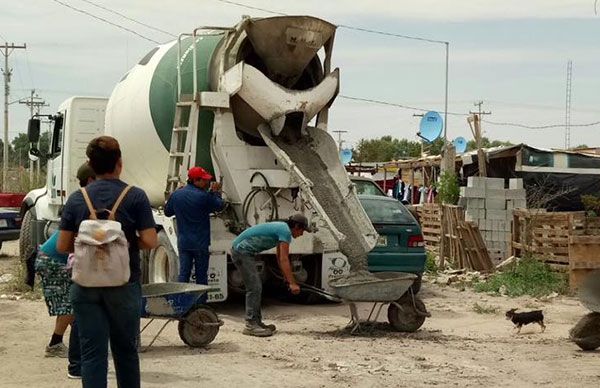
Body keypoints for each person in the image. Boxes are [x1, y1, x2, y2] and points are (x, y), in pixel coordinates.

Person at [57, 136, 158, 388]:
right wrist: (123, 245)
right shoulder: (135, 196)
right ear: (119, 163)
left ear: (90, 164)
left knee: (92, 354)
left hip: (85, 284)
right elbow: (150, 240)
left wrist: (89, 246)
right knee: (125, 352)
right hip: (124, 283)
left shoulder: (77, 199)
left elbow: (61, 245)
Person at [35, 162, 96, 380]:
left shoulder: (79, 199)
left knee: (70, 305)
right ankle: (56, 344)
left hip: (52, 258)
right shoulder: (83, 201)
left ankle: (60, 342)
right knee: (72, 306)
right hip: (54, 260)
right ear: (91, 180)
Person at [231, 214, 311, 337]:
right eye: (302, 230)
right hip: (241, 252)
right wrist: (292, 283)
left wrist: (287, 277)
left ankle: (257, 322)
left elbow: (279, 258)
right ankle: (251, 324)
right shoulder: (285, 231)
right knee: (254, 287)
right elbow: (284, 259)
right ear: (296, 226)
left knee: (256, 286)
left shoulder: (282, 228)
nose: (301, 234)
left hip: (243, 252)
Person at [164, 166, 224, 295]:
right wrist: (215, 192)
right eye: (204, 180)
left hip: (184, 242)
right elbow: (219, 206)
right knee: (201, 276)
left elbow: (167, 212)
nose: (207, 182)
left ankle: (180, 303)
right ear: (196, 180)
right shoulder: (204, 196)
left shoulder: (177, 194)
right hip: (200, 243)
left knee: (184, 274)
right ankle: (200, 305)